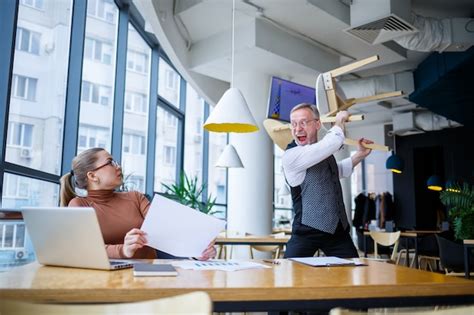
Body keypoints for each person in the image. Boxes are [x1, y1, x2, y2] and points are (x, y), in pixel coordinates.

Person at [60, 147, 216, 260]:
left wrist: (196, 250)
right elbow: (84, 248)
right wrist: (123, 250)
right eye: (110, 162)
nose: (118, 166)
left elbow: (167, 231)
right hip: (108, 278)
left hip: (152, 272)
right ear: (92, 175)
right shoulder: (79, 205)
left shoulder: (135, 197)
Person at [282, 103, 373, 258]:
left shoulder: (321, 152)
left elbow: (335, 172)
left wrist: (359, 155)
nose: (297, 129)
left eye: (303, 122)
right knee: (290, 277)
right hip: (306, 232)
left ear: (318, 124)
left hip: (337, 230)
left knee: (352, 273)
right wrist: (339, 122)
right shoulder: (291, 156)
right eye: (294, 124)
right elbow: (333, 142)